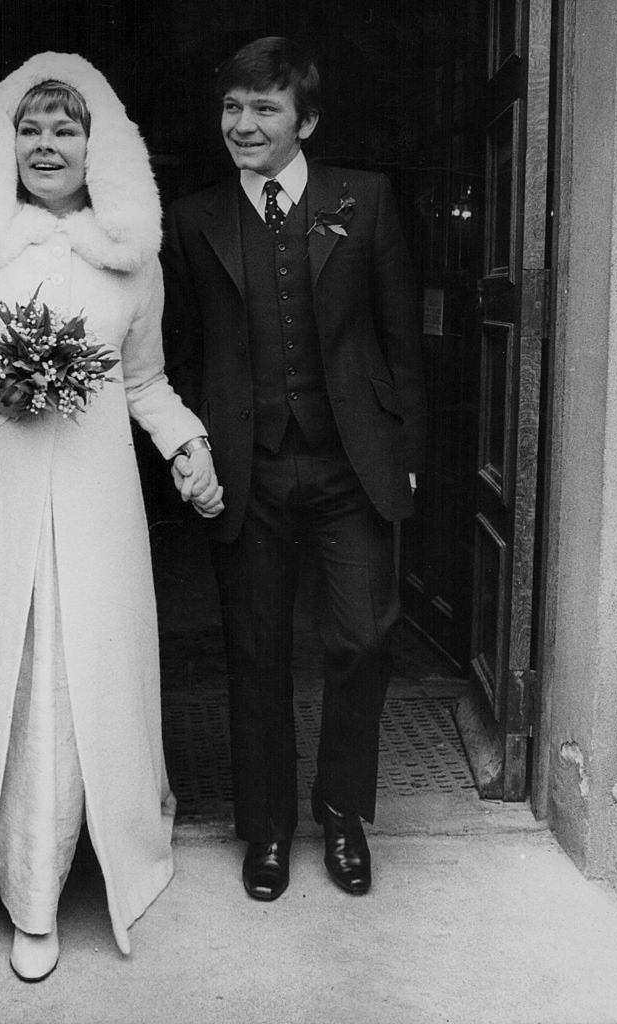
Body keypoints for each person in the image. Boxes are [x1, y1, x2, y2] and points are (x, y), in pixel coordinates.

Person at [0, 52, 223, 982]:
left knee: (81, 672)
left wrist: (188, 447)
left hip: (92, 501)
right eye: (29, 129)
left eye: (65, 129)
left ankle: (72, 864)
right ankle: (19, 884)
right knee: (9, 662)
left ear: (98, 148)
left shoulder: (132, 260)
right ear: (7, 144)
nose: (46, 145)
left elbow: (145, 380)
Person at [163, 36, 426, 902]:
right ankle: (268, 828)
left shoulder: (367, 199)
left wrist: (409, 456)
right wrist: (193, 444)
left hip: (352, 464)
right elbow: (184, 350)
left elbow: (399, 339)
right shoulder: (193, 217)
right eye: (233, 107)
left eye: (264, 108)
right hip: (251, 468)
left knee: (362, 638)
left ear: (304, 120)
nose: (243, 123)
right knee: (255, 651)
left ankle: (343, 813)